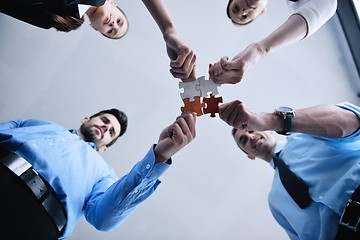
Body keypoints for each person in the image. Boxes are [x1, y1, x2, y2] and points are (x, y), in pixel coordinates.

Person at [0, 109, 196, 239]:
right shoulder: (40, 123)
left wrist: (158, 156)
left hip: (36, 224)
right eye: (104, 121)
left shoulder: (104, 174)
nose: (105, 127)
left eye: (111, 132)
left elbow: (103, 219)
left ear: (104, 149)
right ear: (86, 119)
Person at [219, 99, 360, 239]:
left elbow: (354, 121)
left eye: (250, 129)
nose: (250, 136)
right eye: (243, 140)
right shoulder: (274, 202)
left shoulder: (307, 132)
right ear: (250, 156)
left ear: (268, 130)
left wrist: (272, 120)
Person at [209, 0, 337, 84]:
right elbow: (327, 6)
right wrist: (260, 49)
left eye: (236, 8)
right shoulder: (301, 3)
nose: (243, 11)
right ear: (261, 12)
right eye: (245, 17)